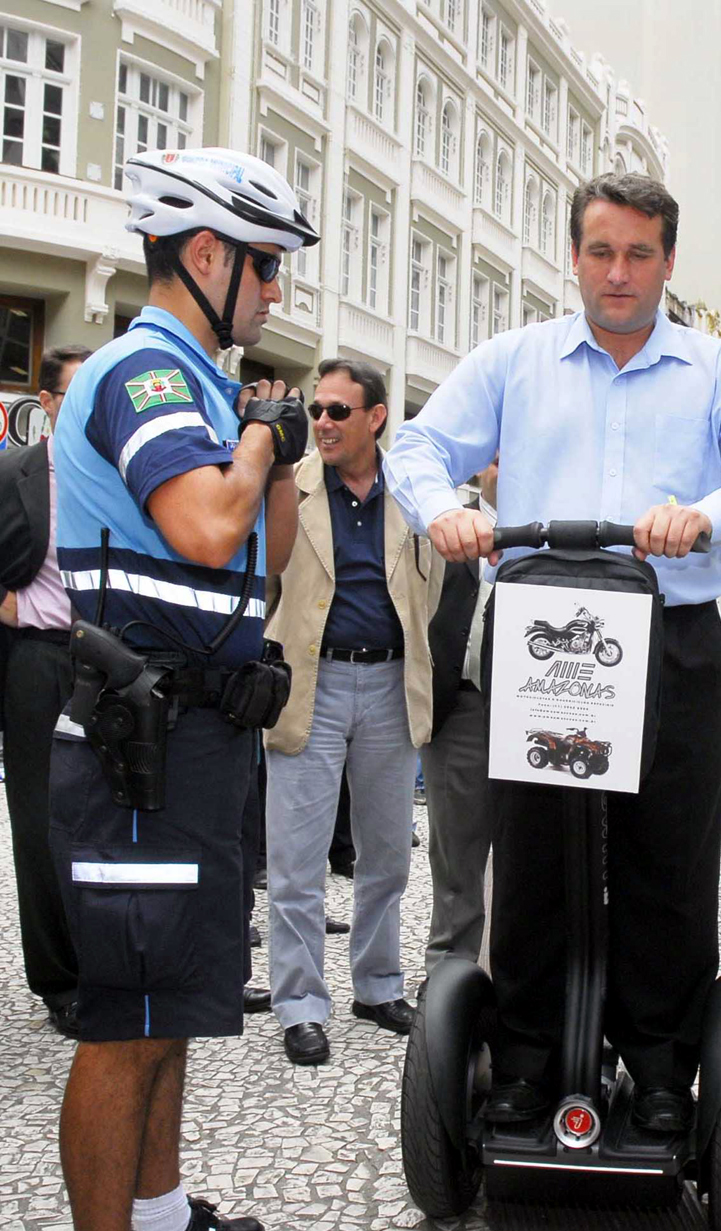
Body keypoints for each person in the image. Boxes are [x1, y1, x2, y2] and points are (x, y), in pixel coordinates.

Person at [384, 172, 721, 1134]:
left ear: (666, 260)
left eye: (640, 254)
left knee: (669, 857)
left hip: (674, 638)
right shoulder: (514, 360)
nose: (619, 274)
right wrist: (445, 511)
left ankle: (660, 1065)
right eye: (602, 251)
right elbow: (416, 448)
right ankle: (526, 1058)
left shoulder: (715, 369)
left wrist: (704, 515)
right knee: (531, 852)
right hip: (545, 635)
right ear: (573, 255)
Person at [50, 146, 316, 1231]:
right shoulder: (144, 373)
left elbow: (274, 549)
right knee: (126, 1019)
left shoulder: (204, 383)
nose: (274, 289)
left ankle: (161, 1214)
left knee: (170, 1008)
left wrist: (279, 455)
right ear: (203, 254)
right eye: (262, 266)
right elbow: (209, 529)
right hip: (137, 740)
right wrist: (258, 436)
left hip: (193, 737)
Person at [263, 357, 438, 1065]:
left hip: (393, 685)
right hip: (313, 682)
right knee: (297, 860)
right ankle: (300, 1002)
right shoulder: (291, 485)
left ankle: (376, 983)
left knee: (388, 853)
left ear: (376, 417)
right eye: (318, 410)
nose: (323, 422)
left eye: (340, 410)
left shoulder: (417, 493)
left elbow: (438, 588)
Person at [0, 344, 90, 1038]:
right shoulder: (15, 473)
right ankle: (60, 981)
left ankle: (116, 962)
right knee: (39, 825)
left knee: (110, 823)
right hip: (38, 661)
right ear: (50, 402)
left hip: (111, 666)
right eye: (78, 388)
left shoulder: (124, 474)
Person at [420, 459, 498, 983]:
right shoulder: (446, 525)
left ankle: (519, 973)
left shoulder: (555, 536)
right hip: (460, 705)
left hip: (541, 709)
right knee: (455, 850)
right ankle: (449, 972)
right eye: (495, 455)